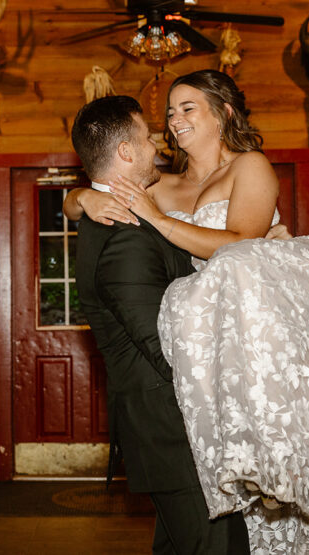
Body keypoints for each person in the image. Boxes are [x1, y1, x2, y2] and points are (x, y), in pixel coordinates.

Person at [66, 71, 309, 553]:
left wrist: (176, 225)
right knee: (213, 536)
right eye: (169, 111)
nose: (173, 120)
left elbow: (237, 244)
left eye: (187, 107)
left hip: (248, 362)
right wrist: (81, 198)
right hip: (199, 371)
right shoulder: (161, 187)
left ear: (224, 113)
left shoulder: (248, 167)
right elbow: (102, 192)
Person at [71, 94, 251, 555]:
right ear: (127, 153)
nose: (159, 144)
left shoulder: (120, 218)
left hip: (169, 430)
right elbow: (166, 347)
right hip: (172, 430)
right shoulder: (123, 236)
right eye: (149, 137)